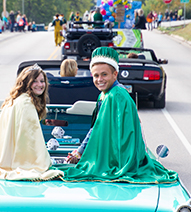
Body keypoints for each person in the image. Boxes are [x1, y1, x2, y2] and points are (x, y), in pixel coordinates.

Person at [60, 47, 178, 184]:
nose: (100, 79)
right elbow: (97, 127)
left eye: (104, 74)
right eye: (96, 75)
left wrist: (91, 156)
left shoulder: (115, 95)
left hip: (118, 159)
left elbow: (123, 136)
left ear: (115, 74)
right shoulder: (105, 94)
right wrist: (80, 152)